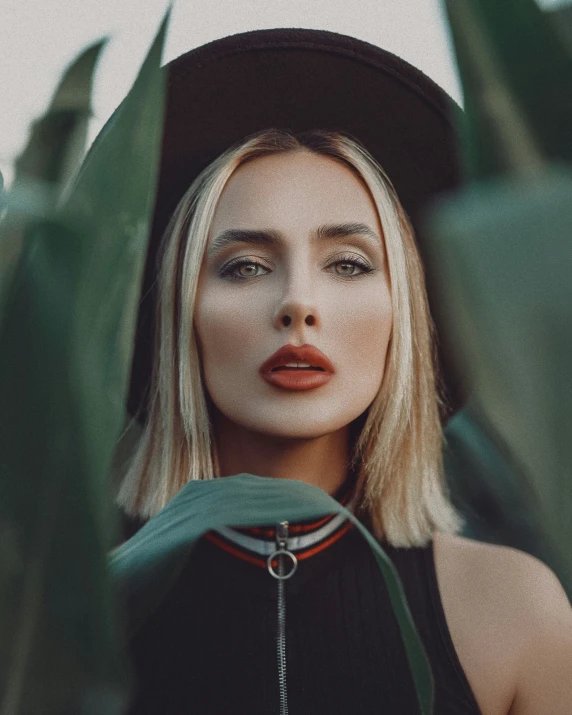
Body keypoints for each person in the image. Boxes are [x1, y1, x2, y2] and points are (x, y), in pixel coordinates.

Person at [111, 28, 572, 715]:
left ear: (405, 313)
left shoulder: (512, 612)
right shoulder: (70, 622)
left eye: (348, 263)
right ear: (180, 315)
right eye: (245, 265)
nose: (299, 301)